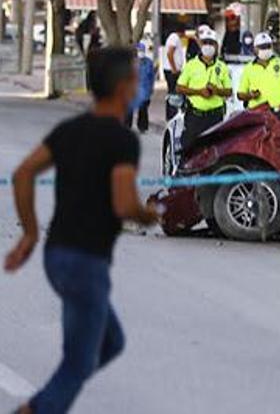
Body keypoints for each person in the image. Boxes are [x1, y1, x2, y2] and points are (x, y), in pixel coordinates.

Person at [4, 47, 159, 414]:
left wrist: (29, 233)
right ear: (123, 88)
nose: (141, 84)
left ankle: (40, 404)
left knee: (110, 342)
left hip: (57, 255)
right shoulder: (122, 141)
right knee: (77, 364)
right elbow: (124, 205)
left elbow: (23, 173)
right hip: (85, 261)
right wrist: (147, 214)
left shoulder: (70, 131)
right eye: (137, 78)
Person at [176, 28, 232, 150]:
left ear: (216, 46)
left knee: (215, 151)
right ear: (200, 45)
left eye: (211, 43)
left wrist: (216, 90)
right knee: (189, 150)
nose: (208, 46)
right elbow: (179, 88)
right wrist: (198, 92)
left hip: (215, 117)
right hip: (195, 117)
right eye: (205, 42)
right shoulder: (191, 65)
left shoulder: (222, 67)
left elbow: (229, 91)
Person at [125, 42, 155, 133]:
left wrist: (151, 89)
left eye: (141, 50)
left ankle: (142, 127)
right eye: (138, 51)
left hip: (144, 90)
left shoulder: (148, 62)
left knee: (143, 109)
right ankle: (127, 127)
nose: (140, 52)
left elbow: (151, 77)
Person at [163, 22, 187, 120]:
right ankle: (171, 115)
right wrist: (174, 68)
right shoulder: (174, 38)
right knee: (174, 93)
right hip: (172, 70)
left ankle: (172, 114)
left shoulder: (173, 38)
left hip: (172, 69)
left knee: (173, 92)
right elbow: (170, 53)